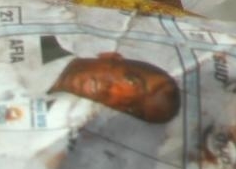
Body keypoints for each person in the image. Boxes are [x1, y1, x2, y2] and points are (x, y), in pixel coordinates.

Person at [48, 51, 181, 124]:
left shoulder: (50, 118)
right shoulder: (40, 45)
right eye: (131, 81)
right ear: (110, 56)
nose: (116, 94)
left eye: (130, 109)